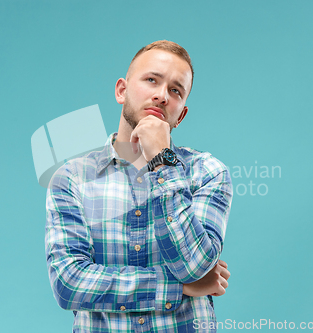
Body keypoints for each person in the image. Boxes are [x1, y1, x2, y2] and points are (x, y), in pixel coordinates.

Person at [45, 40, 233, 332]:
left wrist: (161, 160)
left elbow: (195, 267)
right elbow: (70, 284)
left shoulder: (207, 172)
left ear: (180, 115)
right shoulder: (72, 179)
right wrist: (179, 287)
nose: (161, 96)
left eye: (175, 90)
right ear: (122, 90)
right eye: (151, 80)